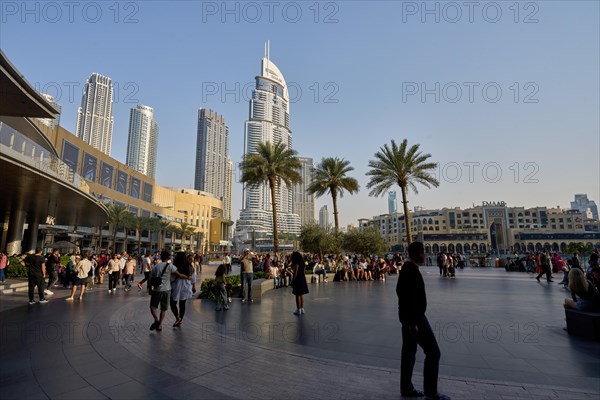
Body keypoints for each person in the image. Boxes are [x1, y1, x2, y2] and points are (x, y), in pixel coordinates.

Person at [397, 241, 450, 400]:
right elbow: (406, 297)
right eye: (424, 252)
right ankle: (431, 393)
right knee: (433, 352)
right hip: (416, 319)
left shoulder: (409, 269)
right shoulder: (410, 270)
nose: (425, 255)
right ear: (419, 253)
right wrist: (412, 322)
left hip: (410, 318)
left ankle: (406, 388)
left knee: (409, 353)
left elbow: (401, 293)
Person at [149, 250, 191, 332]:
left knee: (153, 307)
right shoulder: (172, 266)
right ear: (168, 257)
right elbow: (180, 275)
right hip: (168, 290)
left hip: (158, 290)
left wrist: (150, 288)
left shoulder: (156, 266)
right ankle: (161, 324)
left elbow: (150, 278)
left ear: (161, 257)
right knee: (164, 309)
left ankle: (157, 320)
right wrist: (188, 278)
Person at [170, 252, 197, 326]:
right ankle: (180, 319)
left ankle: (177, 318)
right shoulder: (189, 266)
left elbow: (171, 278)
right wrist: (193, 286)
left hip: (176, 286)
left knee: (172, 303)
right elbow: (193, 277)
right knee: (182, 304)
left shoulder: (174, 265)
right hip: (186, 286)